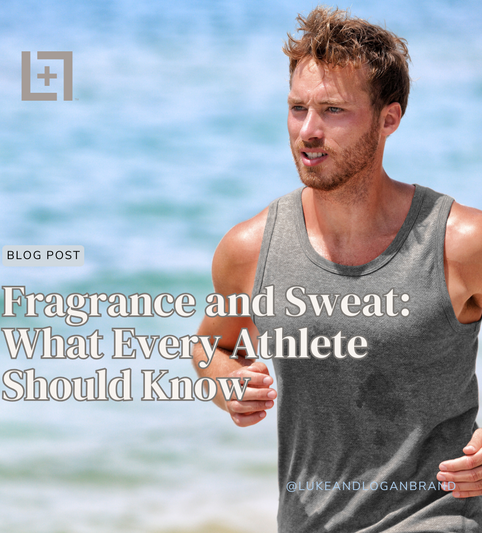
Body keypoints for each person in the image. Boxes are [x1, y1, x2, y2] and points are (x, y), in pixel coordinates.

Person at [192, 6, 482, 532]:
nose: (308, 130)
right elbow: (213, 347)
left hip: (440, 517)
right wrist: (227, 381)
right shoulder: (249, 249)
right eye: (297, 108)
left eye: (333, 111)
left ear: (389, 119)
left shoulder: (461, 242)